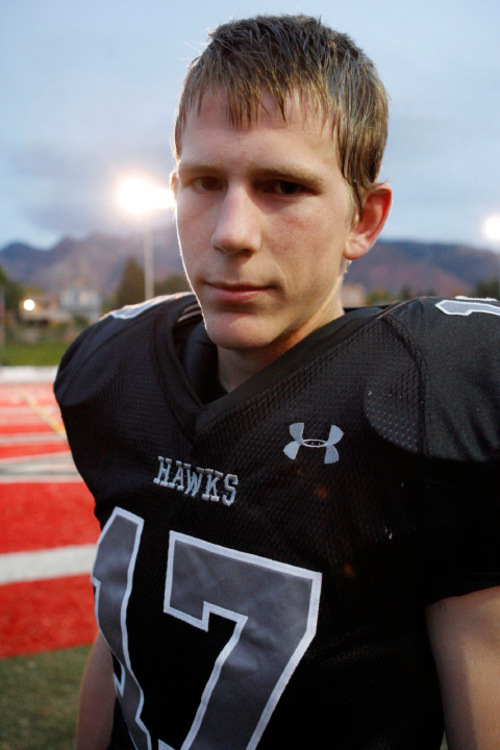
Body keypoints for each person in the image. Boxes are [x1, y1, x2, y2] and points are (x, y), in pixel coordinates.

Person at [55, 15, 500, 750]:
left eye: (283, 186)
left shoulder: (427, 400)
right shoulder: (115, 369)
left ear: (364, 219)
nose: (231, 230)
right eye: (205, 182)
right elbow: (121, 639)